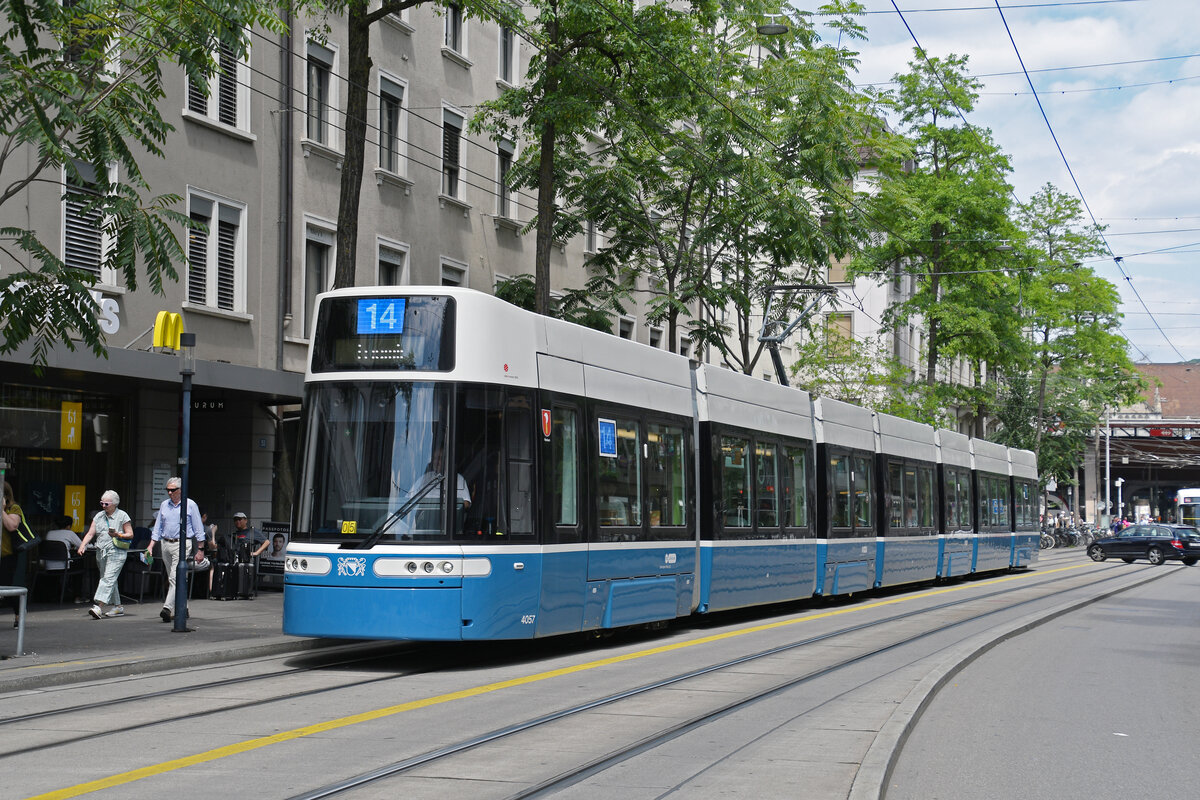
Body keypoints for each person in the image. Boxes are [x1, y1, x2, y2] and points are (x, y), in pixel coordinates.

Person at [147, 477, 206, 622]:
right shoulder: (164, 505)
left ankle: (167, 608)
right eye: (168, 490)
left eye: (172, 490)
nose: (169, 493)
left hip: (182, 543)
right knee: (175, 578)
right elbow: (157, 527)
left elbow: (199, 528)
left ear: (180, 490)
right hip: (165, 543)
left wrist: (200, 549)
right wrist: (150, 545)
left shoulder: (190, 505)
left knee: (174, 577)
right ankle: (183, 608)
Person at [77, 490, 134, 618]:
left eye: (106, 504)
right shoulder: (98, 516)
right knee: (109, 579)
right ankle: (118, 607)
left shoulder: (123, 515)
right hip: (101, 551)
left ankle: (98, 606)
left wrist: (117, 534)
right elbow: (91, 533)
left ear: (114, 504)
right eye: (101, 503)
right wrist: (83, 545)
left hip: (117, 551)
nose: (103, 506)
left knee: (107, 578)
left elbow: (130, 534)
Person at [1, 480, 34, 627]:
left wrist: (1, 510)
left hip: (7, 554)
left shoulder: (14, 508)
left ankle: (19, 611)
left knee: (4, 587)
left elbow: (12, 526)